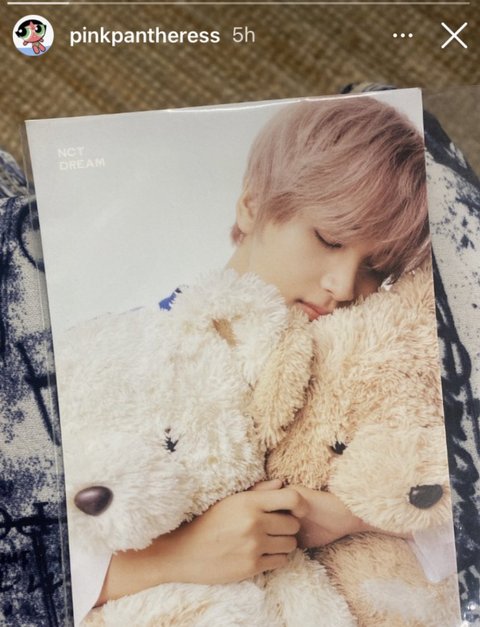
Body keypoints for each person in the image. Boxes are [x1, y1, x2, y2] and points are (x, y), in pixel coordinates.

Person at [74, 96, 454, 622]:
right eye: (329, 239)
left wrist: (353, 515)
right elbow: (27, 557)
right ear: (251, 206)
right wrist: (176, 557)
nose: (344, 286)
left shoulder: (379, 369)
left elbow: (451, 512)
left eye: (376, 267)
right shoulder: (110, 356)